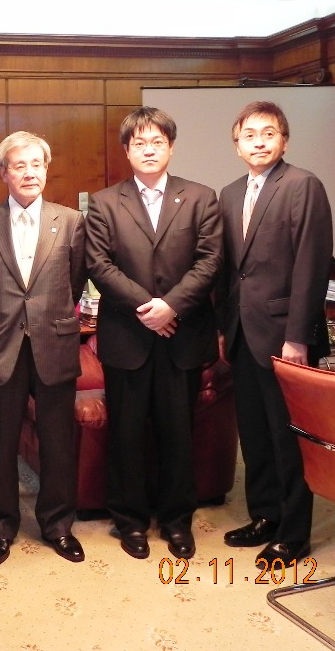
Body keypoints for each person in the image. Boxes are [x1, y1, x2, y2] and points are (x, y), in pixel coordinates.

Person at [85, 107, 222, 561]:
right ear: (127, 151)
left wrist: (171, 306)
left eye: (157, 142)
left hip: (182, 336)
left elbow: (210, 260)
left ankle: (177, 521)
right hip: (128, 336)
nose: (149, 150)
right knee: (125, 435)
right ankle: (130, 521)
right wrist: (148, 308)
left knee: (178, 433)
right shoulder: (105, 202)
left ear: (171, 147)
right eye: (139, 143)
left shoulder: (200, 197)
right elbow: (99, 264)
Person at [219, 101, 332, 568]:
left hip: (286, 336)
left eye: (269, 133)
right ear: (237, 144)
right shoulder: (229, 194)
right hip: (242, 333)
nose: (259, 142)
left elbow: (312, 264)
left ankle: (294, 533)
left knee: (288, 438)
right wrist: (224, 328)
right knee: (254, 434)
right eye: (249, 135)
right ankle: (264, 516)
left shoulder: (303, 185)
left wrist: (298, 336)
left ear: (284, 140)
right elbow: (230, 270)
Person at [0, 131, 87, 566]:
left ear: (46, 169)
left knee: (58, 441)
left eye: (36, 164)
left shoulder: (71, 221)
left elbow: (75, 279)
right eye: (19, 165)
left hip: (54, 341)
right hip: (2, 344)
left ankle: (58, 526)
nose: (29, 173)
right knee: (0, 443)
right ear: (4, 173)